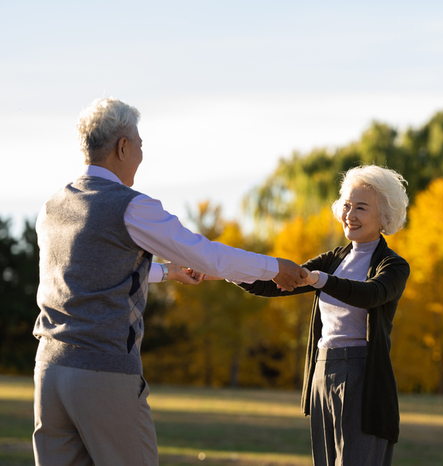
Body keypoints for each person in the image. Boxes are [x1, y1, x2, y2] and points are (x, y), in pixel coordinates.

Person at [32, 97, 307, 466]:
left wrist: (166, 272)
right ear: (123, 146)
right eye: (140, 144)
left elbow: (88, 274)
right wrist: (274, 267)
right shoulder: (131, 205)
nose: (141, 154)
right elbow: (205, 254)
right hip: (103, 374)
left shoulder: (52, 207)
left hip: (49, 373)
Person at [234, 165, 410, 465]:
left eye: (361, 208)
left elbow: (370, 294)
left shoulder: (393, 266)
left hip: (362, 375)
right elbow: (274, 286)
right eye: (347, 205)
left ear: (385, 216)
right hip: (322, 370)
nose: (350, 214)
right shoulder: (335, 259)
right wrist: (224, 269)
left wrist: (321, 280)